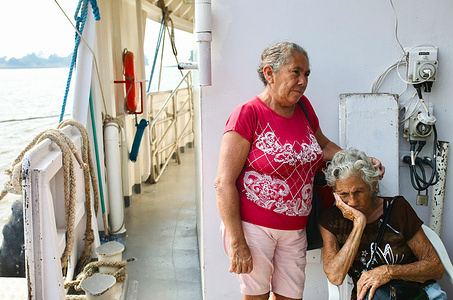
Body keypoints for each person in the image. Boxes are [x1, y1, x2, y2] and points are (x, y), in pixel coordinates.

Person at [214, 41, 383, 300]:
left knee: (292, 297)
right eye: (296, 72)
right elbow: (223, 183)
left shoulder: (303, 108)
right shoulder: (248, 114)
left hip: (295, 230)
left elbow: (324, 146)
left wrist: (360, 162)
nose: (303, 81)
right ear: (269, 73)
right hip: (254, 229)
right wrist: (237, 243)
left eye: (306, 74)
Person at [319, 149, 445, 300]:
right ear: (334, 192)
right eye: (344, 194)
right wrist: (359, 224)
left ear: (372, 186)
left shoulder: (397, 208)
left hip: (416, 293)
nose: (352, 202)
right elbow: (335, 276)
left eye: (359, 192)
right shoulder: (331, 220)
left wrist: (388, 271)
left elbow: (435, 267)